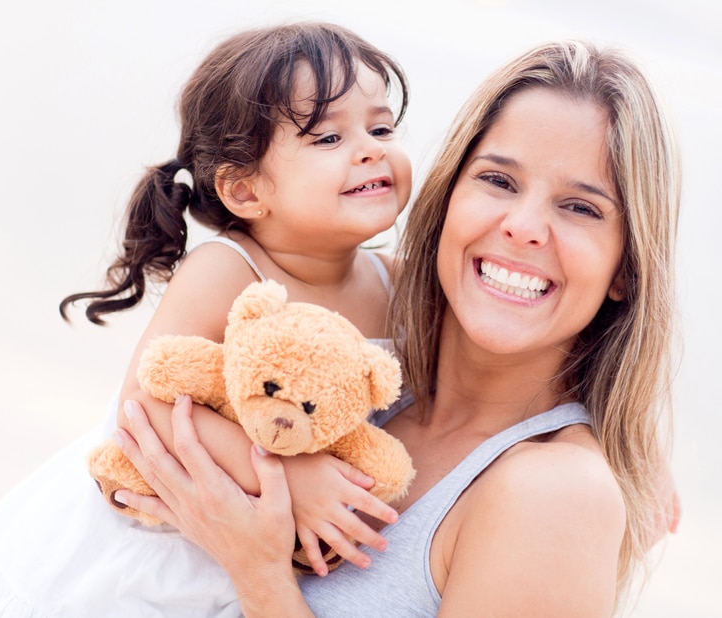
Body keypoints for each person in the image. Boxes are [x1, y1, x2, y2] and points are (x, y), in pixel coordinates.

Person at [115, 39, 682, 617]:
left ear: (627, 270)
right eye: (499, 181)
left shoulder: (556, 493)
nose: (523, 228)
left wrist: (258, 572)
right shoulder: (368, 354)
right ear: (447, 199)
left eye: (581, 208)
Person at [0, 21, 412, 617]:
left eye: (381, 126)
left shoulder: (398, 283)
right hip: (122, 564)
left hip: (228, 573)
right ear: (244, 192)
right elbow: (143, 406)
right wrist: (295, 476)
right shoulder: (230, 268)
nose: (371, 148)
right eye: (326, 138)